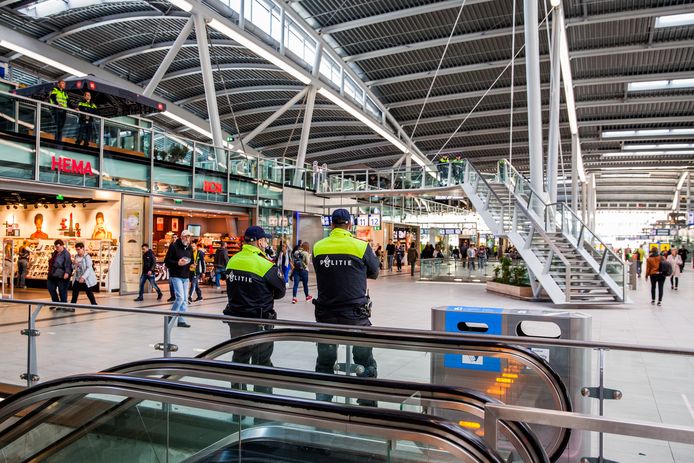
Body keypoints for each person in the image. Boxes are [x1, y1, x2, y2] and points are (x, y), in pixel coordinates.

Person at [312, 209, 379, 405]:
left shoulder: (318, 247)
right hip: (355, 316)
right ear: (349, 225)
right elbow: (374, 272)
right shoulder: (360, 246)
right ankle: (367, 404)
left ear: (331, 224)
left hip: (326, 316)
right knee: (365, 361)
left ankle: (323, 404)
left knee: (325, 362)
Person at [224, 226, 285, 391]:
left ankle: (238, 400)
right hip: (260, 322)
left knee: (239, 358)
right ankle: (261, 401)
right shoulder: (265, 264)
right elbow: (281, 291)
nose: (266, 243)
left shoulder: (233, 260)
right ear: (259, 242)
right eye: (265, 240)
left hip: (236, 321)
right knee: (261, 363)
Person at [164, 229, 193, 328]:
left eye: (189, 237)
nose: (188, 238)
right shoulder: (174, 246)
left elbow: (192, 260)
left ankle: (181, 320)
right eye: (186, 236)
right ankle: (171, 316)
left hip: (186, 276)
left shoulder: (189, 247)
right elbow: (167, 261)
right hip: (176, 275)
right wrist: (177, 263)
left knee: (185, 300)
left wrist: (193, 265)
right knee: (180, 298)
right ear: (182, 237)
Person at [47, 239, 72, 311]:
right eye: (56, 247)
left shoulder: (66, 254)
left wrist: (67, 272)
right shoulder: (55, 253)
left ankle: (63, 304)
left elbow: (68, 264)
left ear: (62, 246)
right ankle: (56, 303)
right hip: (52, 274)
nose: (57, 248)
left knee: (62, 290)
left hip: (61, 274)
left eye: (58, 247)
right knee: (50, 288)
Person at [70, 242, 97, 308]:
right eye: (76, 249)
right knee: (75, 292)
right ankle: (72, 306)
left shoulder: (87, 257)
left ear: (83, 248)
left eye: (79, 249)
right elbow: (74, 267)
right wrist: (74, 264)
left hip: (86, 278)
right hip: (77, 277)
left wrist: (83, 277)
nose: (78, 251)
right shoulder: (76, 256)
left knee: (89, 292)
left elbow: (89, 268)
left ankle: (94, 305)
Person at [187, 239, 205, 303]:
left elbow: (203, 263)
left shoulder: (200, 253)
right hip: (190, 271)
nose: (192, 248)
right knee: (196, 284)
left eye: (193, 246)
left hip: (196, 272)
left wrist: (203, 272)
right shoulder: (189, 252)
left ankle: (190, 298)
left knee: (193, 284)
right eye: (191, 246)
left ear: (196, 246)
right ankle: (199, 297)